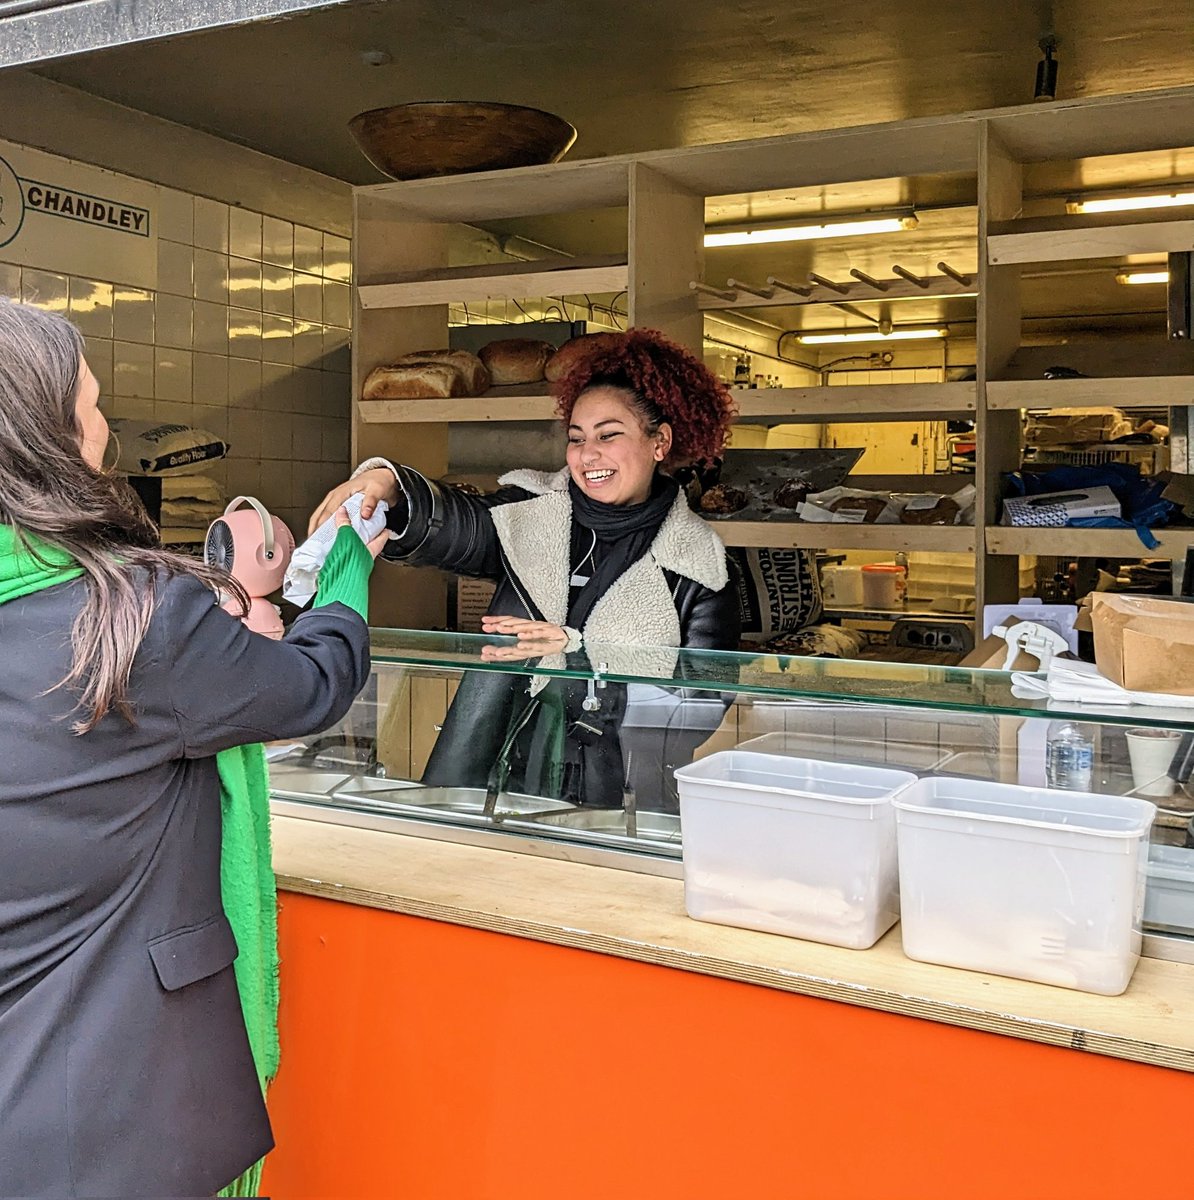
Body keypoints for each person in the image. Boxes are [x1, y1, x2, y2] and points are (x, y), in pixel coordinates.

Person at [0, 299, 384, 1197]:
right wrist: (345, 576)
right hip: (115, 1111)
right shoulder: (130, 620)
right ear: (48, 436)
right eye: (92, 410)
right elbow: (312, 685)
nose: (105, 433)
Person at [310, 327, 741, 809]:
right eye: (576, 439)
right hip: (494, 765)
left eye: (609, 436)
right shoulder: (531, 513)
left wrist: (581, 656)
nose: (587, 455)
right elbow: (462, 525)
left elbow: (700, 708)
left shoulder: (699, 564)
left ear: (659, 441)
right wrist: (392, 484)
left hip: (616, 792)